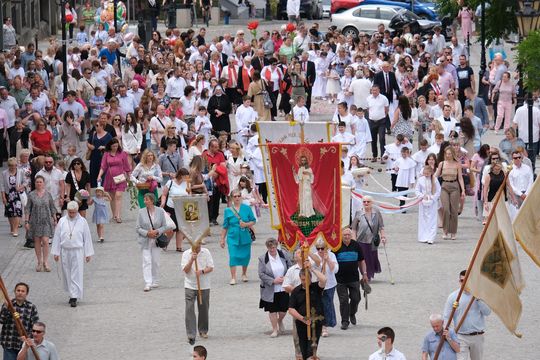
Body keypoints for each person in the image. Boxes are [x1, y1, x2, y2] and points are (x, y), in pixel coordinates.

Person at [51, 201, 94, 308]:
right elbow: (57, 236)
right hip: (65, 250)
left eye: (73, 212)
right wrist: (56, 252)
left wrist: (88, 253)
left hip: (77, 250)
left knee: (76, 272)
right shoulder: (62, 221)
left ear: (77, 211)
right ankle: (71, 293)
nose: (71, 215)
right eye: (70, 212)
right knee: (67, 273)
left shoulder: (82, 221)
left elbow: (87, 237)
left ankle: (74, 296)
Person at [444, 270, 491, 360]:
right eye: (462, 281)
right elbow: (446, 316)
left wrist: (478, 299)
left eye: (467, 280)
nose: (464, 283)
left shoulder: (479, 295)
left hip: (477, 336)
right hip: (460, 337)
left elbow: (487, 312)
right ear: (459, 281)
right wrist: (448, 334)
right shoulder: (453, 297)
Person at [288, 259, 327, 360]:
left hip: (315, 323)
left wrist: (312, 269)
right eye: (303, 280)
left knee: (311, 350)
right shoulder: (296, 291)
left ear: (310, 278)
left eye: (307, 279)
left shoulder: (316, 287)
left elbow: (324, 280)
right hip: (302, 324)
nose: (305, 282)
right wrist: (303, 319)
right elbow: (291, 309)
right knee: (304, 351)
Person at [333, 227, 368, 330]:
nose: (347, 237)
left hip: (354, 278)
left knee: (356, 298)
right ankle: (344, 321)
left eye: (349, 235)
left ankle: (352, 313)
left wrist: (364, 274)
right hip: (340, 279)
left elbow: (362, 261)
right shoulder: (336, 247)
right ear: (341, 236)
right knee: (343, 301)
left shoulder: (356, 245)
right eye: (345, 235)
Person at [258, 238, 293, 338]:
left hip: (283, 287)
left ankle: (280, 320)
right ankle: (274, 329)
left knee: (284, 309)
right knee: (272, 310)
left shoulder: (284, 255)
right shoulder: (262, 259)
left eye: (273, 247)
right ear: (267, 248)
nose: (272, 249)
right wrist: (273, 281)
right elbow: (261, 274)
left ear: (276, 246)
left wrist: (285, 278)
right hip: (270, 289)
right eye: (270, 248)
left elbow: (290, 267)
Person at [220, 189, 257, 285]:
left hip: (245, 235)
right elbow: (225, 226)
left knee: (245, 256)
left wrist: (246, 224)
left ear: (241, 197)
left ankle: (244, 274)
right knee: (233, 256)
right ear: (232, 198)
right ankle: (233, 277)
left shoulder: (247, 208)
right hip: (232, 236)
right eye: (235, 196)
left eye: (238, 196)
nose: (237, 198)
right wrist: (222, 239)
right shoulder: (228, 210)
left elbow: (253, 220)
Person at [136, 193, 170, 292]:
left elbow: (165, 226)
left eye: (147, 200)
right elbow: (138, 228)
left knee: (155, 261)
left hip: (156, 239)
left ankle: (155, 279)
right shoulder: (141, 212)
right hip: (145, 240)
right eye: (144, 199)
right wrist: (147, 233)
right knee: (147, 261)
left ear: (152, 200)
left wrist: (157, 231)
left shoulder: (160, 211)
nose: (145, 201)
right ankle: (148, 282)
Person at [182, 241, 214, 345]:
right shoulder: (186, 254)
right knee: (189, 309)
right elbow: (186, 270)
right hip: (190, 285)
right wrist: (192, 260)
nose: (198, 248)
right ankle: (191, 334)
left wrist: (202, 271)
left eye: (199, 245)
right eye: (196, 246)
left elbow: (211, 267)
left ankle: (203, 330)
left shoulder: (206, 252)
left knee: (203, 308)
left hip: (204, 285)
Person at [25, 175, 57, 272]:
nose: (39, 183)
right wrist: (26, 221)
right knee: (37, 241)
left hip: (46, 220)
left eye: (40, 182)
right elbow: (27, 209)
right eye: (37, 182)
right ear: (35, 183)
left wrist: (55, 219)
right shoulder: (31, 195)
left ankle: (46, 262)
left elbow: (52, 207)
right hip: (35, 221)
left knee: (46, 241)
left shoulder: (48, 194)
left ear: (43, 183)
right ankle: (39, 262)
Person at [0, 283, 39, 360]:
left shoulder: (31, 307)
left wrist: (30, 340)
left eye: (22, 291)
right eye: (18, 290)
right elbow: (1, 320)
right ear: (15, 291)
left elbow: (35, 326)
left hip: (24, 345)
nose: (20, 293)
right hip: (9, 343)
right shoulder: (8, 305)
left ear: (26, 293)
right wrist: (6, 308)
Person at [351, 195, 385, 280]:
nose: (366, 203)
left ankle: (369, 274)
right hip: (361, 240)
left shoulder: (376, 212)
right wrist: (354, 240)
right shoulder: (359, 212)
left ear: (372, 203)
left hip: (373, 241)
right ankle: (366, 275)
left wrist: (383, 236)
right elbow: (354, 228)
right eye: (364, 201)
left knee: (372, 258)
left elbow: (381, 226)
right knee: (363, 258)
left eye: (368, 201)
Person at [97, 138, 131, 223]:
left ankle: (118, 216)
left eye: (117, 145)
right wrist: (99, 176)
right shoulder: (106, 154)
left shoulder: (122, 154)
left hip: (120, 177)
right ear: (110, 146)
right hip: (110, 177)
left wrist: (129, 176)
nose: (115, 147)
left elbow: (127, 166)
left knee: (118, 195)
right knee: (112, 197)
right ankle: (114, 215)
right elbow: (103, 166)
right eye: (113, 146)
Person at [435, 147, 465, 240]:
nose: (448, 155)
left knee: (454, 210)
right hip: (444, 186)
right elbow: (436, 176)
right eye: (446, 154)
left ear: (452, 154)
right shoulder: (442, 164)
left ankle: (453, 231)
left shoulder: (457, 164)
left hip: (455, 186)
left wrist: (463, 190)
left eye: (450, 154)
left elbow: (460, 177)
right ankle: (445, 230)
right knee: (446, 209)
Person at [161, 168, 190, 252]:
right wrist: (163, 203)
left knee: (180, 228)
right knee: (171, 228)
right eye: (185, 176)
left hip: (182, 208)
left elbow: (189, 194)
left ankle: (179, 246)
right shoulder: (170, 183)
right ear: (181, 176)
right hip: (171, 207)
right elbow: (164, 194)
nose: (186, 178)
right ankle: (165, 243)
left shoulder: (186, 183)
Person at [314, 239, 339, 338]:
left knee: (327, 304)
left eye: (322, 248)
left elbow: (335, 270)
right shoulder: (314, 256)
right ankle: (320, 326)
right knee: (318, 305)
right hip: (317, 284)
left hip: (329, 284)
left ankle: (325, 325)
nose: (320, 250)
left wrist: (328, 259)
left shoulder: (331, 255)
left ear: (326, 248)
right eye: (318, 248)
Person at [1, 157, 28, 237]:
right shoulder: (4, 173)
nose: (12, 167)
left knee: (17, 211)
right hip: (8, 194)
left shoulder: (21, 172)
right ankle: (12, 228)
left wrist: (20, 187)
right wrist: (3, 196)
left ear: (16, 165)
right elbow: (2, 185)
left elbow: (26, 182)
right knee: (10, 212)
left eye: (14, 165)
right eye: (10, 165)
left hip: (17, 194)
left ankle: (16, 229)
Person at [416, 166, 442, 244]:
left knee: (432, 219)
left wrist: (432, 198)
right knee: (423, 219)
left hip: (432, 202)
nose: (426, 175)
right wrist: (421, 196)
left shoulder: (435, 180)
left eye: (428, 173)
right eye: (425, 173)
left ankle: (431, 237)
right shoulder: (420, 180)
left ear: (431, 173)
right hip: (423, 201)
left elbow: (438, 190)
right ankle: (423, 237)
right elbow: (417, 190)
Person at [366, 85, 389, 162]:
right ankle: (374, 156)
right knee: (373, 139)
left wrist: (382, 116)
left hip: (381, 121)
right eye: (373, 90)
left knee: (382, 139)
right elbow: (368, 109)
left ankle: (383, 156)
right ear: (371, 91)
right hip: (372, 122)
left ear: (379, 90)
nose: (374, 92)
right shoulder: (368, 98)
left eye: (376, 90)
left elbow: (386, 109)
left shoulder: (384, 98)